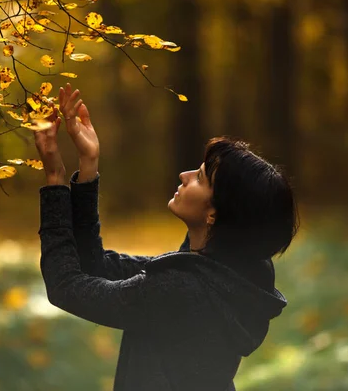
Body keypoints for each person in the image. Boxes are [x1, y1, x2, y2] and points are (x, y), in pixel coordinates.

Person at [33, 83, 299, 391]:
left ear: (215, 213)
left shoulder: (182, 289)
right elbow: (97, 266)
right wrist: (88, 164)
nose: (184, 176)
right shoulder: (228, 275)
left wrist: (54, 179)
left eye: (200, 177)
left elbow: (66, 287)